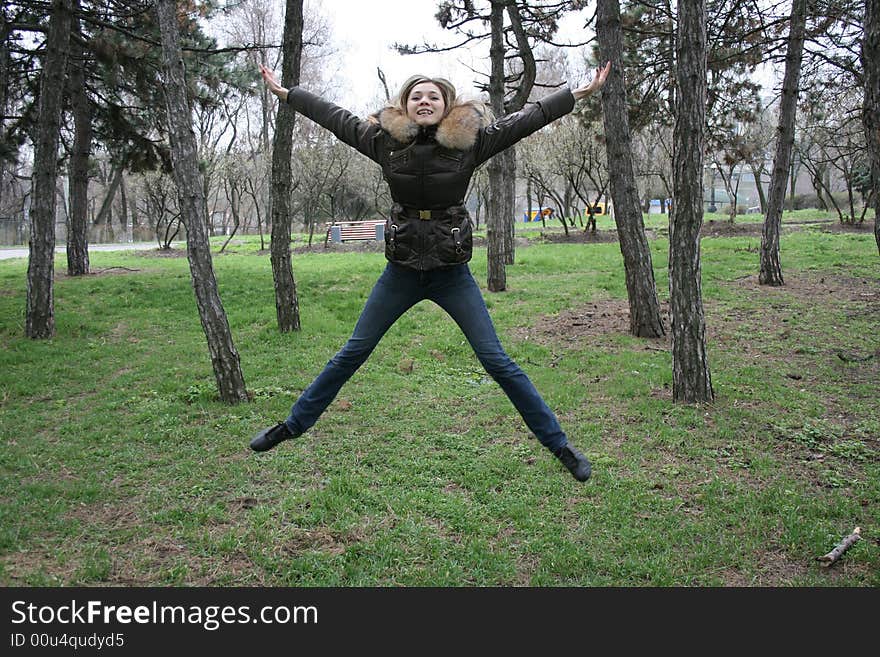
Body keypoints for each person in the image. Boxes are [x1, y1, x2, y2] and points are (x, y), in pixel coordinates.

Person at [252, 61, 611, 482]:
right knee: (353, 351)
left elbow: (527, 120)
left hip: (450, 273)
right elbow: (335, 117)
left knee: (497, 360)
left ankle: (560, 445)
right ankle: (292, 425)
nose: (425, 101)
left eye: (433, 97)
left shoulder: (470, 143)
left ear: (446, 106)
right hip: (401, 271)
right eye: (416, 96)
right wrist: (288, 94)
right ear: (405, 105)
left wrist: (577, 94)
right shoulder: (382, 142)